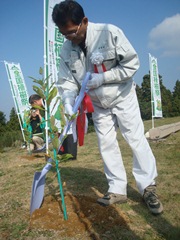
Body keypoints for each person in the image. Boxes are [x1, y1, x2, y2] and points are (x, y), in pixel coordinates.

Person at [51, 1, 163, 215]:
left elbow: (131, 64)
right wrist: (67, 100)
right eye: (64, 34)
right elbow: (66, 80)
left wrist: (104, 78)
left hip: (122, 96)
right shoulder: (66, 49)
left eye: (72, 32)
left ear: (84, 21)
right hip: (98, 105)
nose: (70, 38)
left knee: (135, 139)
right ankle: (117, 188)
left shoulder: (109, 33)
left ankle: (148, 187)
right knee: (106, 144)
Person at [29, 94, 77, 159]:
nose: (35, 108)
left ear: (35, 102)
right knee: (63, 137)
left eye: (34, 106)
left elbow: (54, 114)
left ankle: (71, 156)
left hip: (63, 119)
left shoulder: (48, 102)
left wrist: (55, 126)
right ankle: (65, 154)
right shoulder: (44, 105)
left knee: (68, 134)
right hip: (59, 123)